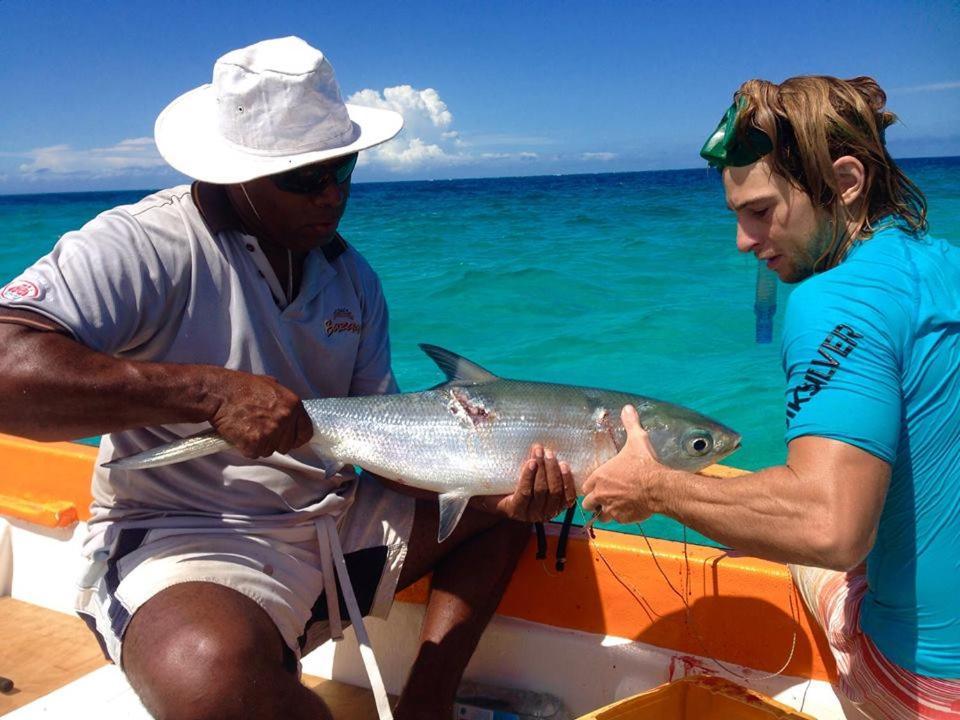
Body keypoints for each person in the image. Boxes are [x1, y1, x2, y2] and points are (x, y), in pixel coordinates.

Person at [0, 37, 573, 720]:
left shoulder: (351, 278)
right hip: (186, 536)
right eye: (304, 178)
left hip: (333, 525)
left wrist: (494, 484)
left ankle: (427, 704)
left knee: (508, 510)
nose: (332, 196)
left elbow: (382, 450)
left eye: (343, 169)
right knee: (213, 680)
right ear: (235, 171)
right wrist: (204, 392)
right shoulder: (141, 245)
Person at [582, 76, 960, 718]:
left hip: (925, 687)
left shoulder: (834, 300)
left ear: (845, 182)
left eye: (760, 212)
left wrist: (658, 490)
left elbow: (828, 526)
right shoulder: (943, 264)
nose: (743, 241)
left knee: (806, 559)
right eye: (736, 217)